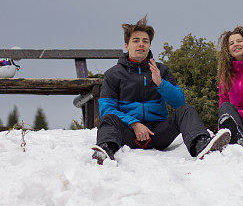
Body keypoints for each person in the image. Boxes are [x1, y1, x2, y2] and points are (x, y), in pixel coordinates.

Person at [91, 16, 231, 164]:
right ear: (126, 46)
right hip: (128, 133)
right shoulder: (113, 74)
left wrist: (160, 83)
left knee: (186, 110)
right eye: (136, 40)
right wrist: (134, 123)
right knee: (108, 118)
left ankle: (201, 145)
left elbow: (179, 102)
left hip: (158, 133)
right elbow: (107, 109)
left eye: (145, 41)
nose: (141, 44)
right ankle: (106, 150)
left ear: (150, 45)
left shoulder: (161, 70)